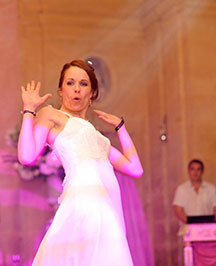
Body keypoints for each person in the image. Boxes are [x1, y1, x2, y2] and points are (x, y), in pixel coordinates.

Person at [18, 60, 143, 265]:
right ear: (60, 89)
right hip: (84, 199)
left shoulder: (99, 139)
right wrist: (29, 111)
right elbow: (27, 156)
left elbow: (135, 168)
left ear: (92, 93)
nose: (76, 89)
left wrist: (120, 127)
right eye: (70, 83)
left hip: (108, 203)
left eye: (84, 84)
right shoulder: (52, 115)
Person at [173, 159, 216, 223]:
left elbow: (215, 208)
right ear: (189, 171)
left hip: (207, 227)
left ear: (202, 171)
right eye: (193, 169)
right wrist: (190, 223)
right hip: (188, 228)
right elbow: (178, 211)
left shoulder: (211, 188)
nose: (195, 172)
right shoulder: (182, 189)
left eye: (198, 169)